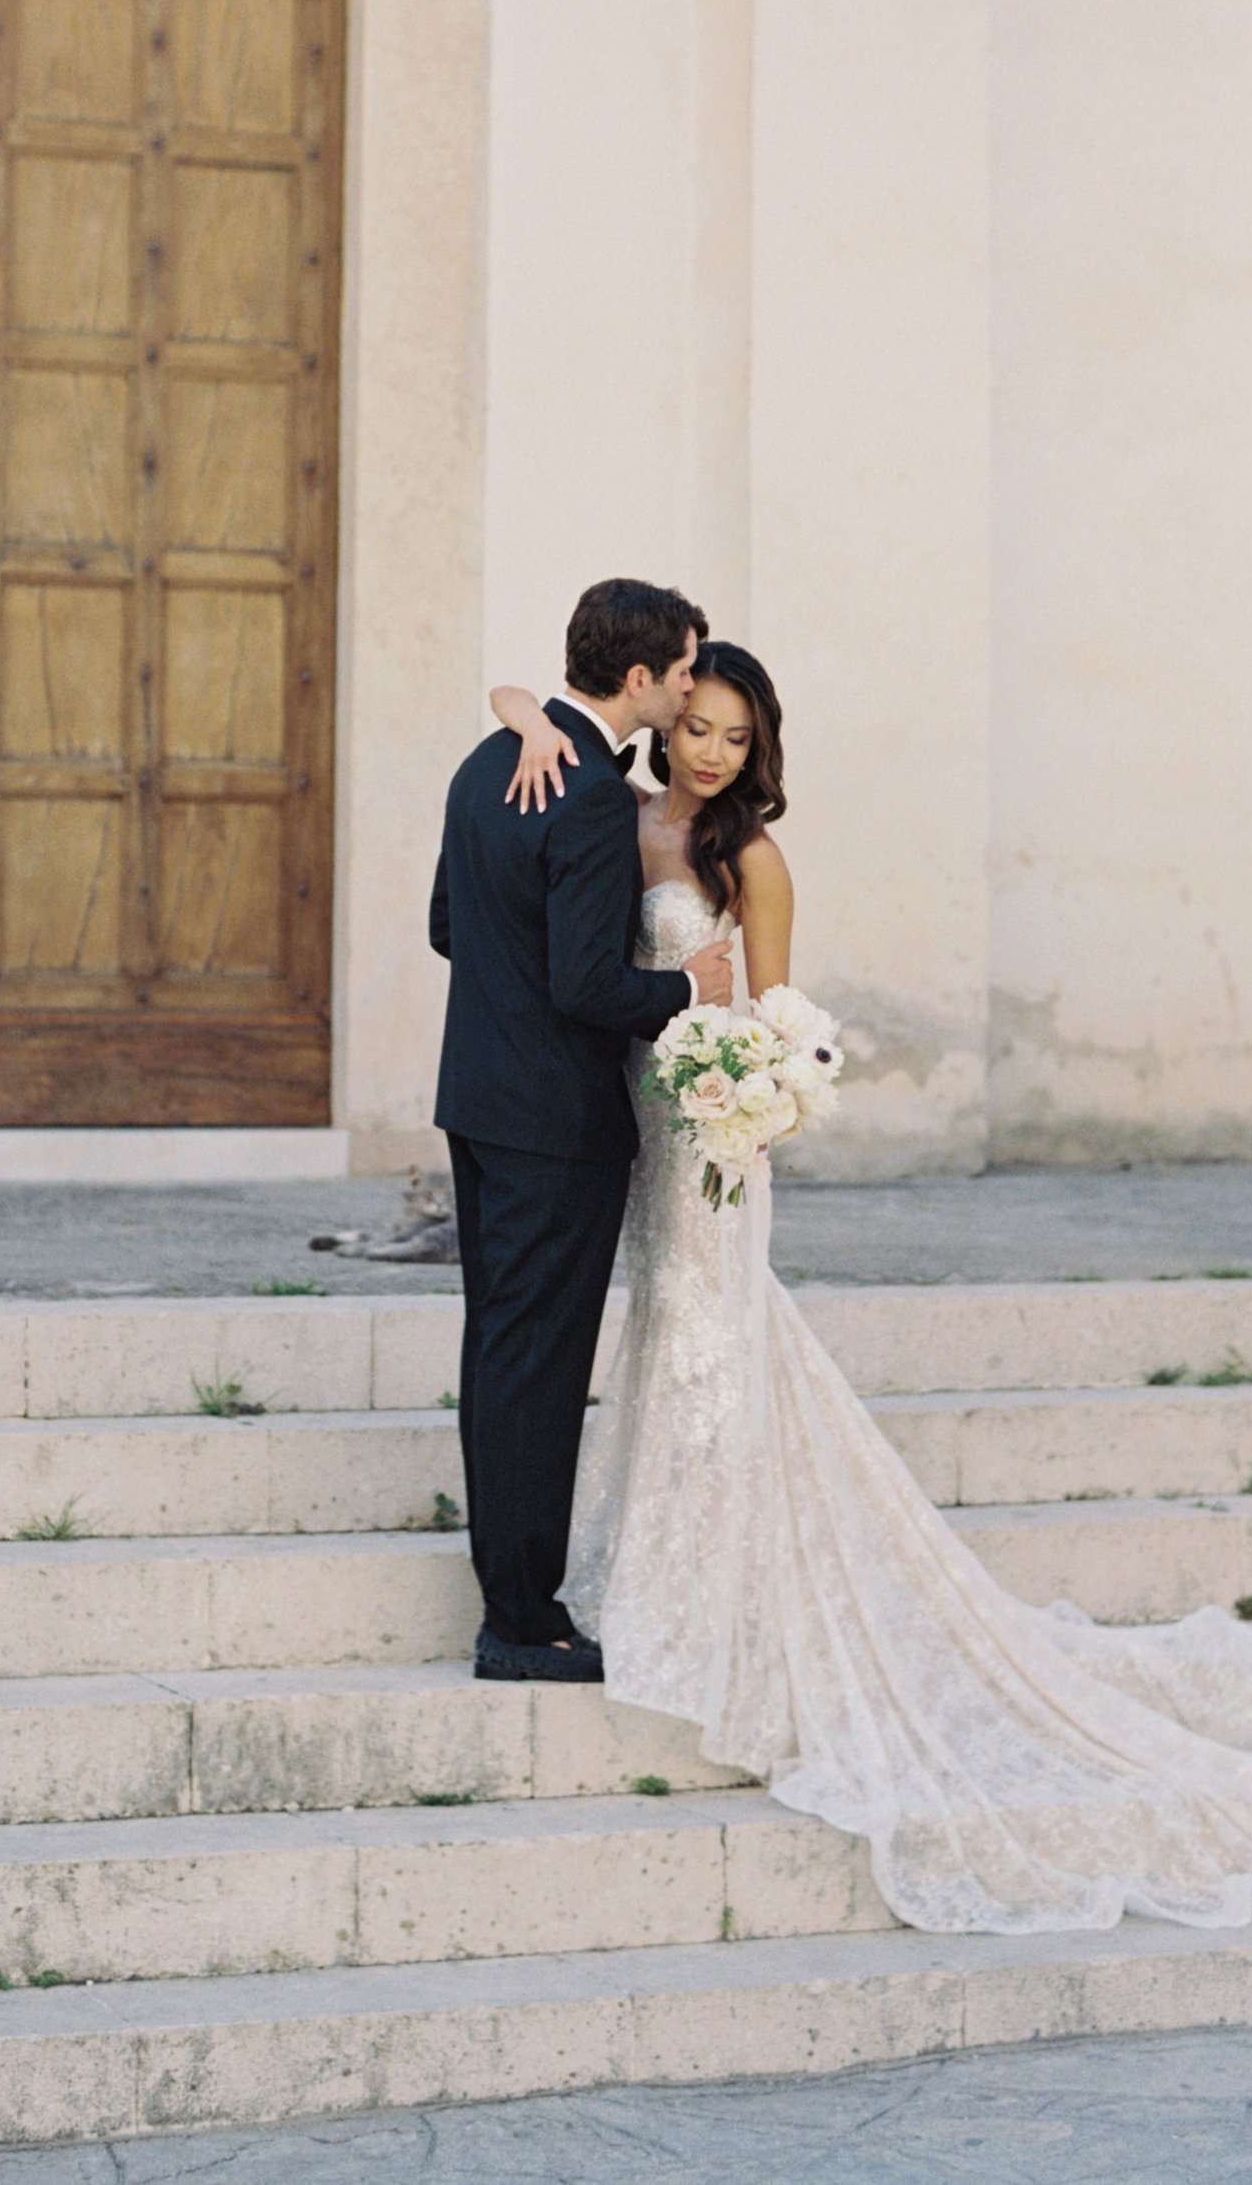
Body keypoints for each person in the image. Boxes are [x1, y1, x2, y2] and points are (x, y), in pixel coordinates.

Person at [481, 640, 1252, 1936]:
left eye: (737, 737)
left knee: (713, 1346)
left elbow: (788, 1014)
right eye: (698, 724)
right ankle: (657, 1580)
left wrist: (766, 1096)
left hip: (714, 1143)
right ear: (663, 712)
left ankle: (724, 1610)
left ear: (759, 751)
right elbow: (532, 706)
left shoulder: (753, 859)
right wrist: (523, 710)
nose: (710, 751)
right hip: (638, 1132)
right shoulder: (609, 812)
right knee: (663, 1351)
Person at [427, 578, 735, 1682]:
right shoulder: (593, 796)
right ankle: (521, 1621)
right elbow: (588, 985)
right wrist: (690, 991)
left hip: (478, 1103)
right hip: (554, 1123)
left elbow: (446, 923)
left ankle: (509, 1594)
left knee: (501, 1351)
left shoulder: (488, 759)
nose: (693, 686)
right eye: (685, 670)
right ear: (642, 677)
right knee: (539, 1369)